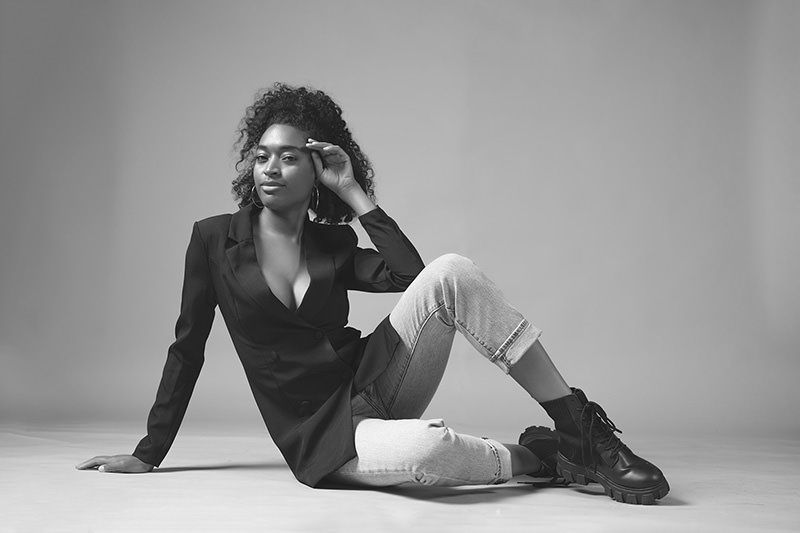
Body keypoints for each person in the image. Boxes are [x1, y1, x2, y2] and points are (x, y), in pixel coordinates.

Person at [77, 83, 669, 505]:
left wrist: (356, 195)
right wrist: (149, 451)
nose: (270, 169)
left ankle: (578, 429)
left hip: (377, 379)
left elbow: (417, 279)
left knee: (451, 269)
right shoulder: (213, 241)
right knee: (427, 453)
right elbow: (187, 348)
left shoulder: (331, 242)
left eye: (290, 157)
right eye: (261, 156)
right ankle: (539, 456)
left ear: (317, 171)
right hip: (320, 435)